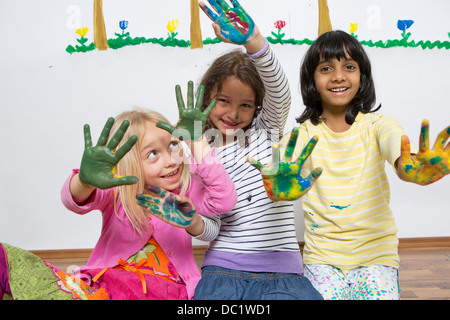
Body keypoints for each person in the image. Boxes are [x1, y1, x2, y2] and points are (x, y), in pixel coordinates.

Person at [0, 83, 237, 300]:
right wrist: (84, 181)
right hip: (107, 286)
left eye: (173, 145)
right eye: (152, 154)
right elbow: (73, 200)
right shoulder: (118, 191)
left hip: (167, 290)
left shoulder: (187, 188)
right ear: (129, 162)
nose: (170, 161)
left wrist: (197, 142)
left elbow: (225, 200)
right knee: (5, 258)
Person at [275, 30, 450, 300]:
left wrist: (411, 170)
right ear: (312, 79)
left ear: (362, 76)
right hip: (322, 259)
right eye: (325, 68)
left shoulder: (379, 126)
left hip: (376, 255)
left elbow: (401, 158)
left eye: (349, 67)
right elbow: (283, 166)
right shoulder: (302, 135)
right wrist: (278, 183)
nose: (338, 76)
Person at [182, 0, 322, 300]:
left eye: (245, 105)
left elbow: (280, 92)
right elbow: (212, 227)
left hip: (283, 271)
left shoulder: (266, 129)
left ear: (258, 106)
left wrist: (254, 42)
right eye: (223, 100)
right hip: (222, 269)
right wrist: (193, 223)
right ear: (206, 98)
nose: (233, 113)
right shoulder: (199, 150)